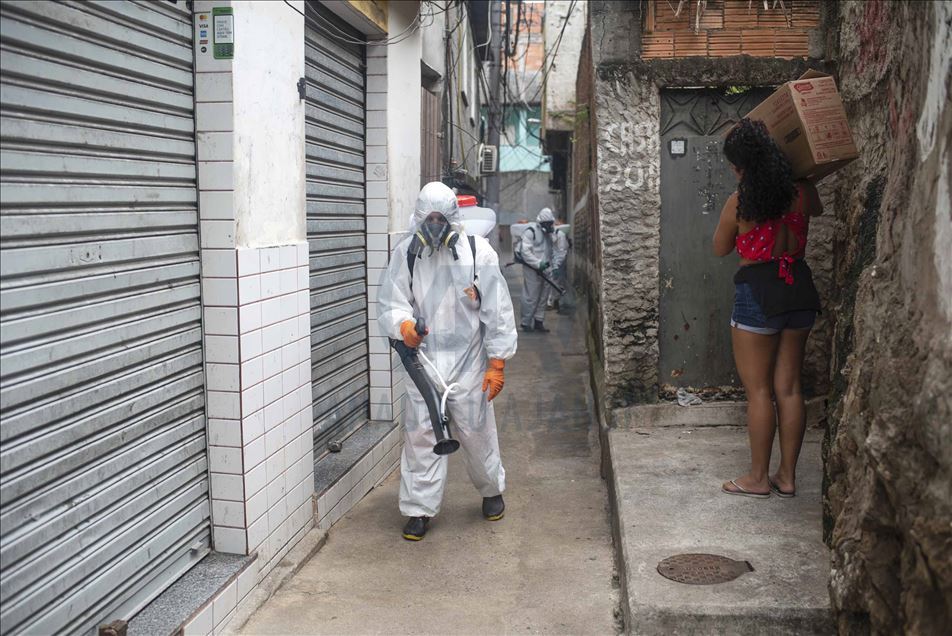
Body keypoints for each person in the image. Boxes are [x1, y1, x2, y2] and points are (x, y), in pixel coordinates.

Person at [378, 182, 518, 540]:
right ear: (420, 217)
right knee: (421, 436)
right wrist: (404, 326)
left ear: (454, 217)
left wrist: (496, 362)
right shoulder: (406, 254)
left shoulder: (478, 252)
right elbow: (391, 301)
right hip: (423, 363)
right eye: (430, 217)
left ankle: (491, 491)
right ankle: (418, 510)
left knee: (476, 432)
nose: (436, 224)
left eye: (442, 217)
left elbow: (497, 310)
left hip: (468, 363)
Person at [712, 118, 823, 500]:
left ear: (741, 167)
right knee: (789, 388)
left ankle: (758, 478)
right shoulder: (802, 192)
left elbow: (720, 247)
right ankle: (787, 477)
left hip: (758, 291)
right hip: (799, 288)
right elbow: (817, 208)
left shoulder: (741, 202)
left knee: (759, 391)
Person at [517, 207, 567, 332]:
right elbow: (525, 252)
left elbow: (557, 250)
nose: (548, 226)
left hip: (547, 269)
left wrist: (555, 266)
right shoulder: (531, 232)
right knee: (531, 296)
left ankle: (539, 321)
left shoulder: (552, 234)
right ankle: (526, 322)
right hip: (532, 269)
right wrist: (537, 264)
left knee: (544, 297)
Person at [546, 219, 571, 310]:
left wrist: (556, 266)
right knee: (552, 282)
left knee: (555, 282)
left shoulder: (560, 235)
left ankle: (553, 302)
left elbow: (561, 252)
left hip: (558, 262)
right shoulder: (552, 234)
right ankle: (553, 301)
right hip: (553, 262)